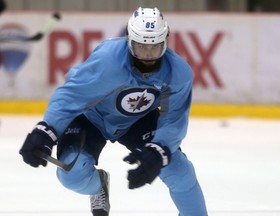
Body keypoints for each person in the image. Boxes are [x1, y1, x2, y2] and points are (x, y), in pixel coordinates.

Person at [19, 7, 208, 216]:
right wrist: (46, 129)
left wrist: (159, 150)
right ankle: (98, 185)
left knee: (178, 170)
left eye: (154, 48)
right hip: (90, 117)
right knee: (73, 174)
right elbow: (71, 95)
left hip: (139, 120)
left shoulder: (178, 73)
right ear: (129, 40)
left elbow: (174, 118)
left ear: (166, 41)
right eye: (141, 47)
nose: (147, 55)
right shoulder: (107, 59)